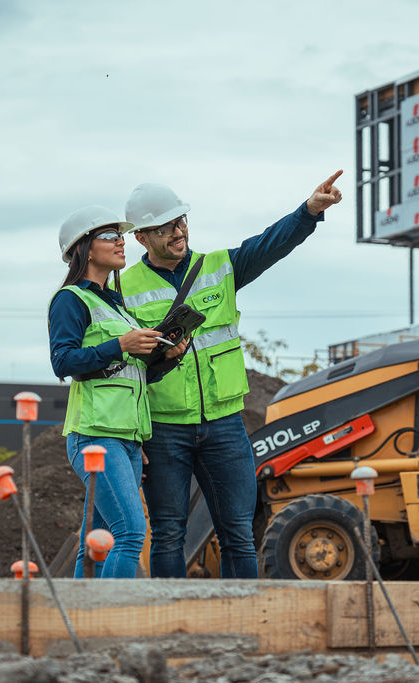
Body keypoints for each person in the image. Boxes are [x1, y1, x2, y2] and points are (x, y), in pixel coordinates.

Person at [120, 171, 344, 578]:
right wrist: (132, 435)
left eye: (180, 221)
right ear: (141, 237)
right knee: (168, 534)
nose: (178, 232)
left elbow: (270, 245)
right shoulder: (123, 288)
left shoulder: (219, 267)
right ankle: (171, 615)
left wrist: (309, 211)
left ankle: (242, 611)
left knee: (237, 532)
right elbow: (121, 372)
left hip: (224, 424)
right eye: (165, 227)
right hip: (164, 428)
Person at [48, 205, 186, 578]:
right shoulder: (71, 299)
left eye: (121, 235)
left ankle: (81, 610)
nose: (121, 242)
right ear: (85, 248)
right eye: (110, 236)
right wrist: (121, 344)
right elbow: (63, 362)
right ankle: (112, 612)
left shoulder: (115, 306)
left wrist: (166, 358)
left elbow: (128, 373)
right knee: (130, 533)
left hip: (126, 439)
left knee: (98, 542)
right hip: (95, 436)